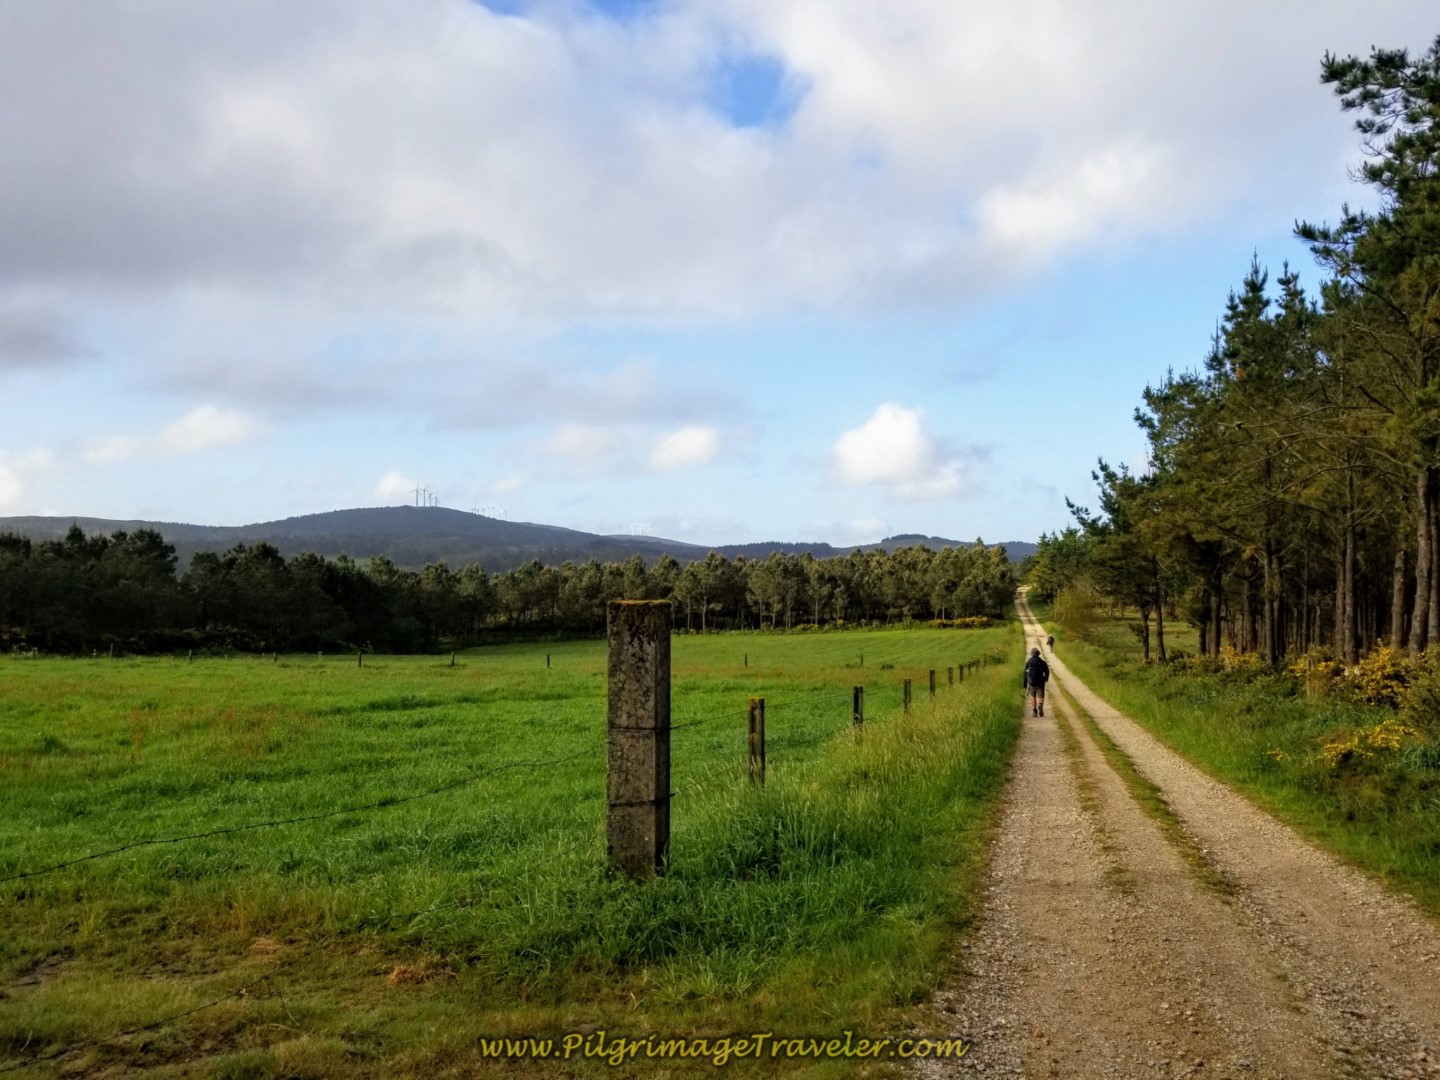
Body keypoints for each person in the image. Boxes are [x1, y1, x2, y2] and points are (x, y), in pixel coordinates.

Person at [1023, 646, 1050, 717]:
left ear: (1031, 654)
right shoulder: (1042, 662)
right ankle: (1040, 705)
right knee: (1041, 696)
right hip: (1040, 682)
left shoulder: (1029, 662)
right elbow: (1047, 671)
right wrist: (1046, 678)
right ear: (1038, 654)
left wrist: (1025, 684)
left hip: (1031, 683)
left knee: (1033, 697)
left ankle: (1034, 711)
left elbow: (1025, 674)